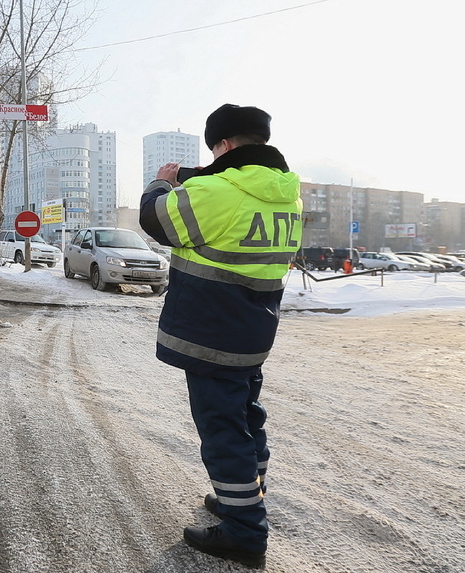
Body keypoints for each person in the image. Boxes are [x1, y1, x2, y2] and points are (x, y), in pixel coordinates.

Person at [138, 104, 303, 568]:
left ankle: (244, 533)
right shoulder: (288, 195)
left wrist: (163, 181)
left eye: (214, 148)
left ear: (224, 145)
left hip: (212, 336)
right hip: (254, 331)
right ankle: (244, 499)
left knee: (221, 430)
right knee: (248, 417)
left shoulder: (214, 189)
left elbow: (155, 220)